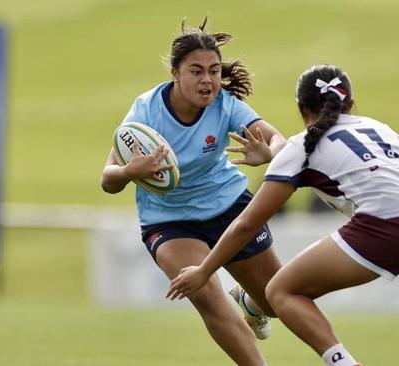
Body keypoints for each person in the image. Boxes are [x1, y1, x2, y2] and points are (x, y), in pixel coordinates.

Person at [167, 64, 399, 366]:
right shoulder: (379, 128)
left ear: (302, 108)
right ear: (352, 103)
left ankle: (343, 362)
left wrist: (205, 270)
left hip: (389, 223)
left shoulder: (302, 144)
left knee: (282, 290)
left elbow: (247, 223)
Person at [101, 18, 286, 366]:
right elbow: (107, 180)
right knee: (207, 297)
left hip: (229, 207)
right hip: (169, 220)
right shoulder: (145, 111)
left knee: (278, 301)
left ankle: (251, 303)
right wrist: (129, 171)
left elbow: (279, 141)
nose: (208, 80)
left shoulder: (226, 105)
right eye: (196, 71)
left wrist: (269, 153)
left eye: (214, 71)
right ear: (175, 74)